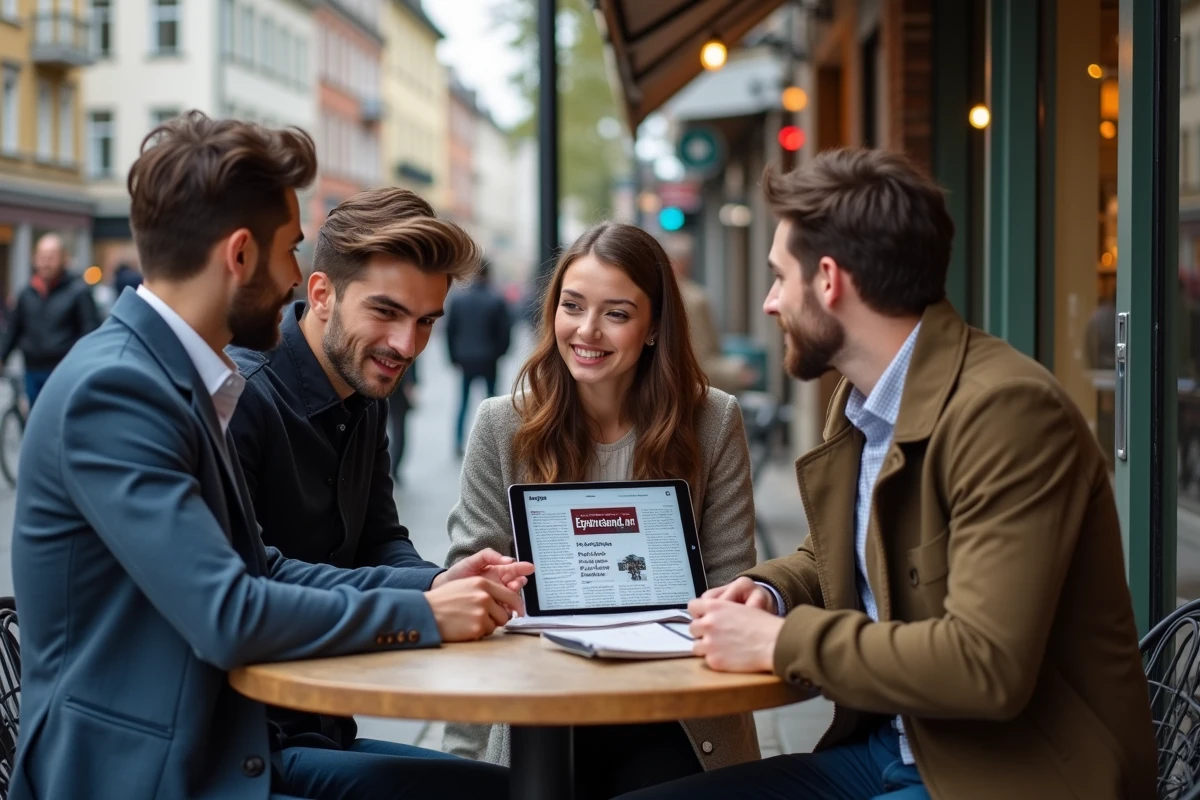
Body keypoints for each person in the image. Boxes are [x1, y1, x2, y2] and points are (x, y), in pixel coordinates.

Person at [10, 111, 526, 800]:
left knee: (497, 788)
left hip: (218, 746)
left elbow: (271, 567)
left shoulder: (178, 377)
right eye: (290, 250)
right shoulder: (119, 388)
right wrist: (427, 613)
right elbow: (231, 614)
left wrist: (432, 585)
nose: (294, 279)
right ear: (240, 255)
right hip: (148, 773)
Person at [616, 148, 1157, 800]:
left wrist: (783, 640)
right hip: (887, 751)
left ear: (828, 279)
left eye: (778, 277)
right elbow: (831, 555)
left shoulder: (1008, 413)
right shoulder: (863, 399)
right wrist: (768, 593)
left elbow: (986, 667)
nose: (768, 302)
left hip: (1005, 775)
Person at [443, 222, 761, 798]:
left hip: (677, 712)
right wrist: (464, 756)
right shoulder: (501, 423)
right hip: (542, 709)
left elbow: (732, 582)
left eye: (616, 313)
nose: (586, 331)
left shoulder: (712, 420)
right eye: (572, 306)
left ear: (654, 326)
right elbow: (470, 595)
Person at [226, 187, 531, 764]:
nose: (406, 344)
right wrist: (425, 598)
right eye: (386, 312)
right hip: (246, 745)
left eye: (425, 322)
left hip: (321, 727)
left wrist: (439, 582)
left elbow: (380, 539)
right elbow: (253, 576)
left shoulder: (363, 396)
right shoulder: (242, 397)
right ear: (321, 294)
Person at [0, 232, 100, 406]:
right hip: (31, 369)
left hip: (64, 371)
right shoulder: (26, 294)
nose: (46, 262)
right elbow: (14, 330)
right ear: (35, 259)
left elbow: (89, 331)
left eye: (52, 257)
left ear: (64, 259)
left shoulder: (78, 292)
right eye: (42, 257)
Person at [661, 234, 756, 395]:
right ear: (682, 262)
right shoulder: (693, 299)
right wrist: (737, 372)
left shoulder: (653, 295)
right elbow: (699, 362)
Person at [444, 259, 512, 456]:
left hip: (465, 359)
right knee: (492, 404)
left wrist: (453, 357)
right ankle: (492, 445)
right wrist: (499, 354)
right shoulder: (496, 299)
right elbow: (505, 332)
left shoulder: (459, 300)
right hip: (489, 359)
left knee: (463, 403)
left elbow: (450, 331)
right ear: (489, 274)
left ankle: (457, 443)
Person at [388, 360, 417, 482]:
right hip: (397, 387)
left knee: (397, 431)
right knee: (398, 431)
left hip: (396, 387)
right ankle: (393, 467)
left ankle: (393, 467)